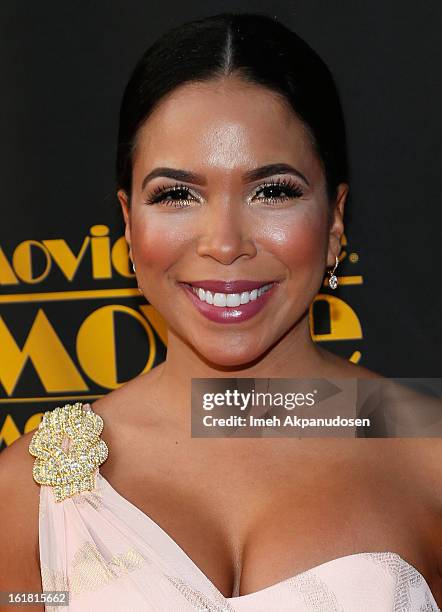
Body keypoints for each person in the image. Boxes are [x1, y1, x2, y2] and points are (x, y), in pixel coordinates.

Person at [0, 12, 440, 611]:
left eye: (273, 191)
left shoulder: (428, 458)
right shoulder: (28, 489)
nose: (225, 242)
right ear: (129, 224)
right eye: (177, 194)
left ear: (335, 219)